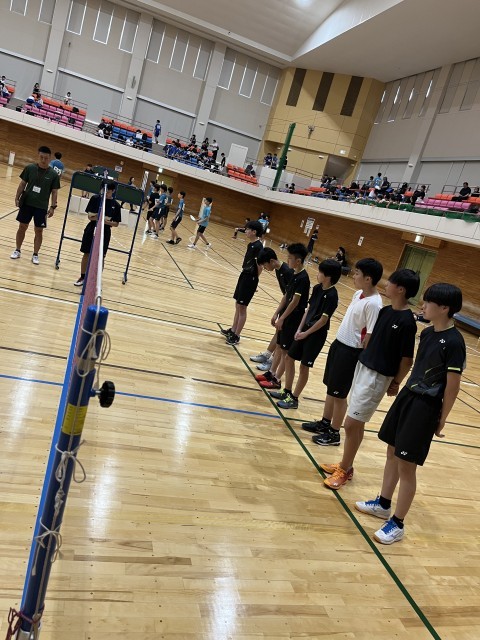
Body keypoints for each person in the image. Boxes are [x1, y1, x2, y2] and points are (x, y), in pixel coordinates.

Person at [355, 283, 465, 545]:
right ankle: (383, 504)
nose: (422, 306)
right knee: (392, 451)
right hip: (407, 397)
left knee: (407, 465)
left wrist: (442, 419)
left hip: (425, 407)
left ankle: (398, 523)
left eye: (428, 303)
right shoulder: (427, 333)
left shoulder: (454, 342)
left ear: (444, 308)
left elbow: (453, 386)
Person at [321, 269, 420, 490]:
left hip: (378, 377)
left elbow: (407, 360)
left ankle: (344, 469)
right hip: (362, 368)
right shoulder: (385, 311)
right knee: (357, 424)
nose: (386, 285)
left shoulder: (407, 322)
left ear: (401, 289)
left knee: (350, 424)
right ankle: (346, 465)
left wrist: (395, 382)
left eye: (391, 282)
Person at [302, 258, 383, 445]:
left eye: (357, 273)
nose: (353, 276)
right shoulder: (358, 294)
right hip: (339, 345)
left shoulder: (374, 304)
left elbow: (370, 334)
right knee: (331, 388)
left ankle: (334, 433)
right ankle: (325, 422)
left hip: (351, 352)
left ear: (368, 279)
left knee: (339, 394)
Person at [269, 259, 340, 410]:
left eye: (320, 272)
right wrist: (299, 329)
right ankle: (287, 391)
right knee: (289, 358)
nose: (317, 274)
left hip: (315, 335)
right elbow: (308, 310)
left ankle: (294, 398)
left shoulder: (332, 295)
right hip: (304, 331)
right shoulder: (317, 288)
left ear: (328, 276)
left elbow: (323, 320)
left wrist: (306, 333)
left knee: (303, 367)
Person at [258, 244, 310, 391]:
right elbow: (286, 296)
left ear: (298, 261)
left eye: (290, 258)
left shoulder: (303, 278)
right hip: (286, 315)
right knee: (279, 347)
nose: (287, 260)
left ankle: (277, 380)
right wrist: (277, 313)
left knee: (285, 352)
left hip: (294, 317)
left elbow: (295, 301)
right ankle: (271, 373)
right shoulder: (294, 274)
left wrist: (282, 318)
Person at [11, 145, 60, 265]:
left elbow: (54, 192)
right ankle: (17, 250)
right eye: (41, 157)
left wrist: (52, 207)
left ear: (50, 158)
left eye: (46, 158)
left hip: (41, 207)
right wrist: (17, 197)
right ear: (38, 156)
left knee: (39, 231)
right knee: (22, 227)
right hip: (27, 204)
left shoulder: (53, 174)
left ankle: (35, 254)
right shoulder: (30, 168)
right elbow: (22, 184)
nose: (43, 160)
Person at [250, 248, 294, 372]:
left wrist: (282, 315)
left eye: (265, 265)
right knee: (278, 332)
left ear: (271, 261)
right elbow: (286, 294)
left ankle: (271, 362)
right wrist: (277, 312)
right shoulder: (279, 270)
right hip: (286, 305)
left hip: (292, 309)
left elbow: (292, 296)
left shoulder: (287, 272)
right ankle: (267, 355)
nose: (264, 268)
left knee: (282, 338)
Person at [221, 221, 265, 346]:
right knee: (238, 304)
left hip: (250, 278)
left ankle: (237, 335)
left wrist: (254, 282)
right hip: (244, 275)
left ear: (254, 232)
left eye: (248, 229)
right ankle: (233, 330)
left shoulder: (258, 247)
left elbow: (260, 266)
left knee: (242, 307)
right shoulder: (251, 245)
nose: (246, 231)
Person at [74, 182, 121, 286]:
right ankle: (82, 277)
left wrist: (102, 220)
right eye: (104, 190)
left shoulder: (116, 205)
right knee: (86, 253)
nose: (106, 193)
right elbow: (90, 217)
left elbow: (116, 223)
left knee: (101, 256)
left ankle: (95, 281)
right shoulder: (95, 199)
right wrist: (100, 218)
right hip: (91, 228)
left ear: (113, 191)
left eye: (108, 191)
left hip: (105, 232)